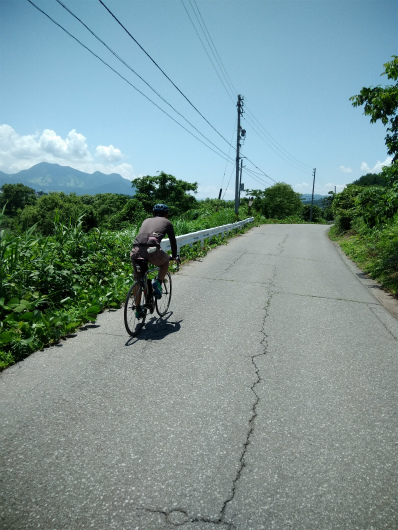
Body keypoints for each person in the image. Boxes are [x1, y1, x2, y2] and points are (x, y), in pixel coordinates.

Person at [130, 204, 177, 312]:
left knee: (138, 278)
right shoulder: (167, 222)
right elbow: (173, 242)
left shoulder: (146, 220)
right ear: (166, 215)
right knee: (165, 263)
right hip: (152, 250)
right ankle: (158, 282)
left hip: (136, 250)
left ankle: (138, 309)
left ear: (153, 214)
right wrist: (174, 256)